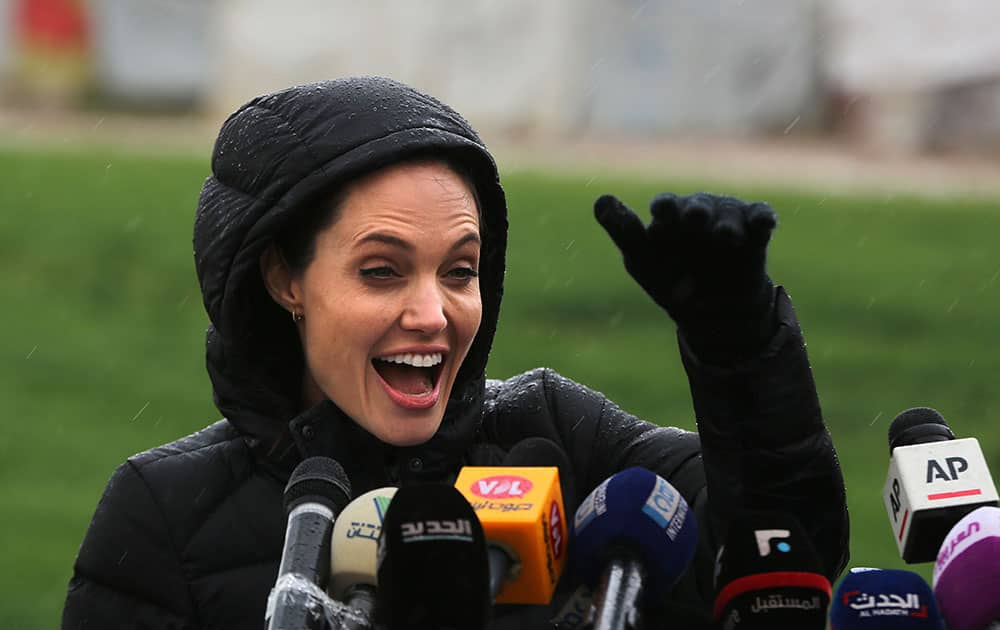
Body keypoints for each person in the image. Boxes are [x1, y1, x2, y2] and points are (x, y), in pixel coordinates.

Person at [62, 76, 848, 629]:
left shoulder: (562, 435)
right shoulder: (162, 514)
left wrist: (740, 354)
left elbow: (786, 560)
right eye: (382, 272)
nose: (433, 314)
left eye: (461, 271)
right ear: (283, 277)